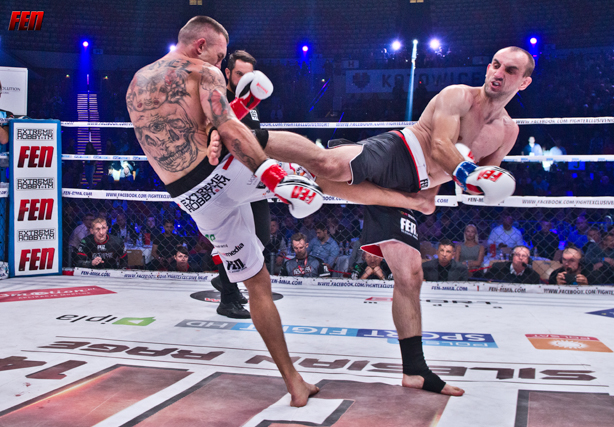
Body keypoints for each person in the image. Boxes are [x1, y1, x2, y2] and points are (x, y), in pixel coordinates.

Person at [128, 16, 421, 407]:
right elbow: (228, 128)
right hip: (224, 173)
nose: (220, 64)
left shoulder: (136, 83)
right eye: (219, 55)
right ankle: (409, 195)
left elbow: (189, 131)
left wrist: (243, 106)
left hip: (191, 197)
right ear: (201, 45)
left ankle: (294, 382)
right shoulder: (203, 71)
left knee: (257, 284)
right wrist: (271, 174)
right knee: (321, 168)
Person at [235, 46, 534, 396]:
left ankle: (415, 371)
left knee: (410, 274)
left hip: (416, 187)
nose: (498, 73)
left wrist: (484, 184)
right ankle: (241, 136)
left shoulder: (508, 132)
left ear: (524, 83)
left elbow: (482, 179)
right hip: (400, 152)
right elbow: (440, 145)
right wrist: (467, 172)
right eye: (496, 64)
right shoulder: (458, 96)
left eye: (510, 70)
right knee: (330, 166)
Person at [209, 49, 272, 320]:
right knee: (235, 240)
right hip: (230, 181)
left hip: (252, 178)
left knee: (262, 237)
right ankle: (228, 298)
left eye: (249, 75)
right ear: (227, 73)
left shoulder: (251, 102)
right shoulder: (219, 100)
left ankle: (225, 279)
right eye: (239, 74)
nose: (245, 80)